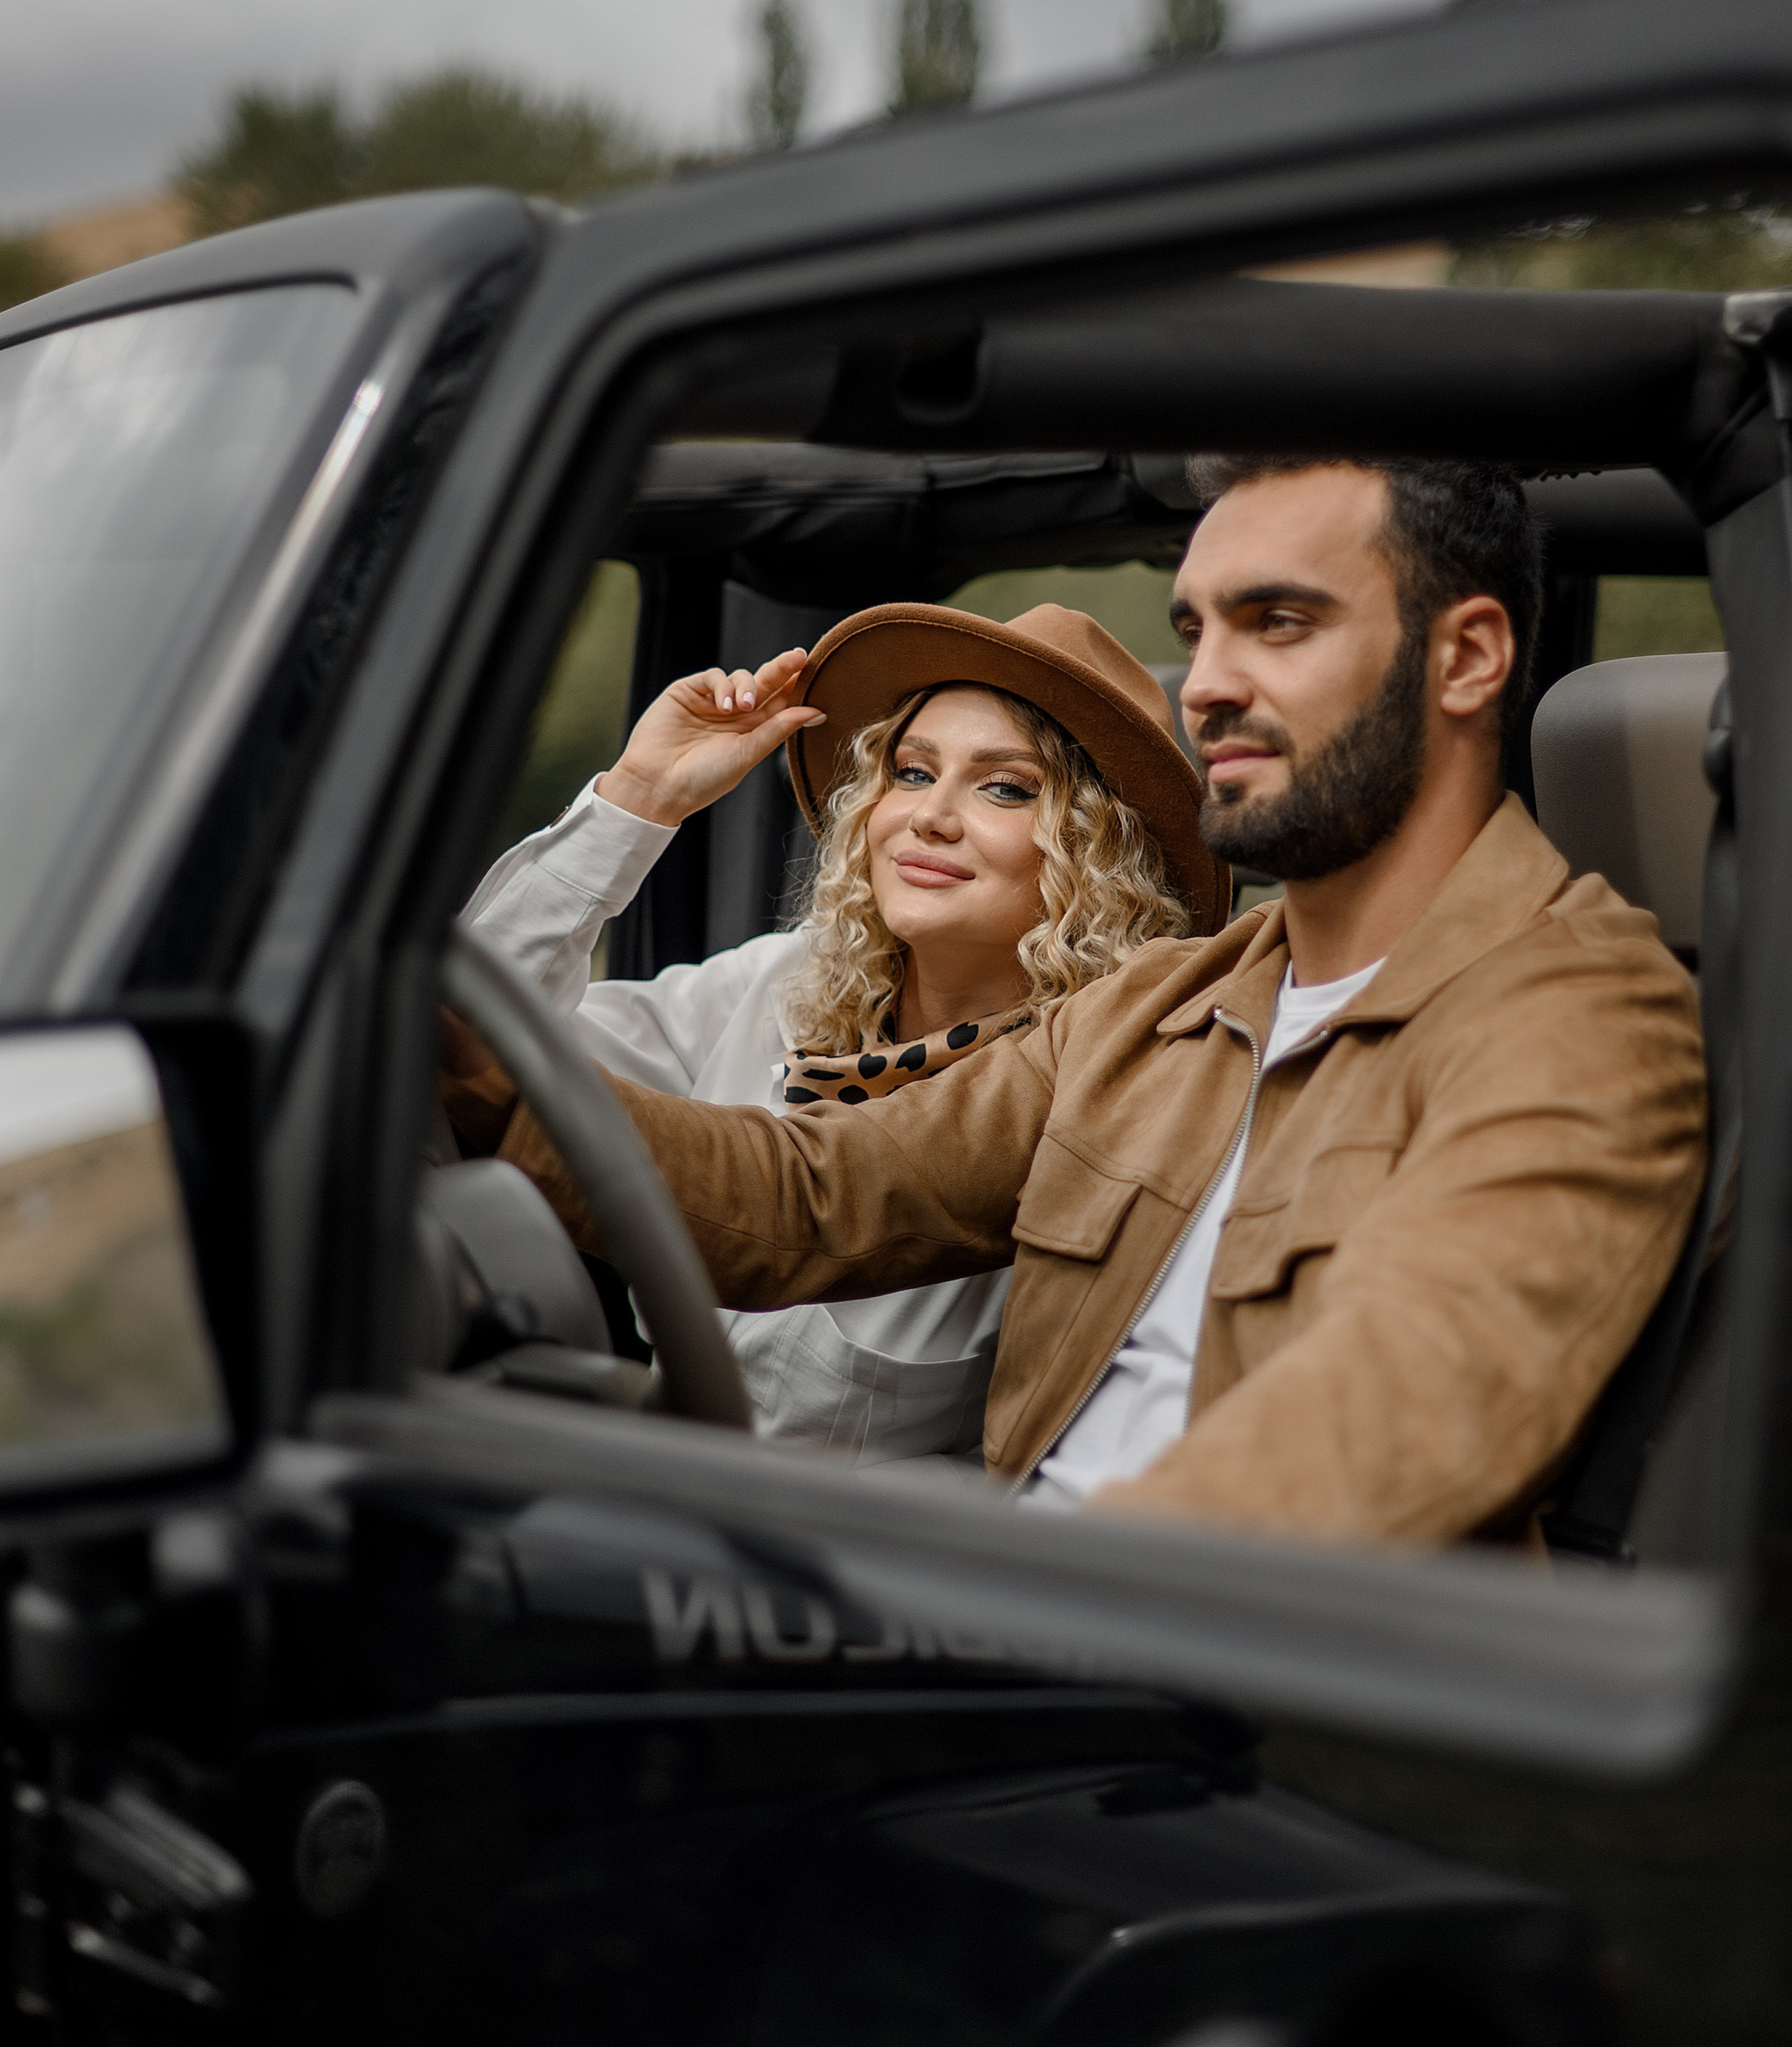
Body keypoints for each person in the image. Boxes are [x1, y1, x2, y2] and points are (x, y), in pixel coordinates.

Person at [490, 453, 1710, 1550]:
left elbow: (1399, 1419)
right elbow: (810, 1196)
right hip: (1007, 1646)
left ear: (1468, 658)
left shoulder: (1576, 1007)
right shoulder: (1164, 1005)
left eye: (1278, 623)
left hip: (1237, 1702)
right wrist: (468, 1069)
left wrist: (1020, 1593)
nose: (1212, 684)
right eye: (1199, 629)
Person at [452, 601, 1224, 1456]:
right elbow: (460, 1034)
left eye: (1006, 787)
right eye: (912, 771)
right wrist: (636, 800)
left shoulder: (1113, 1089)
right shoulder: (784, 982)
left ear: (1097, 851)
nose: (930, 816)